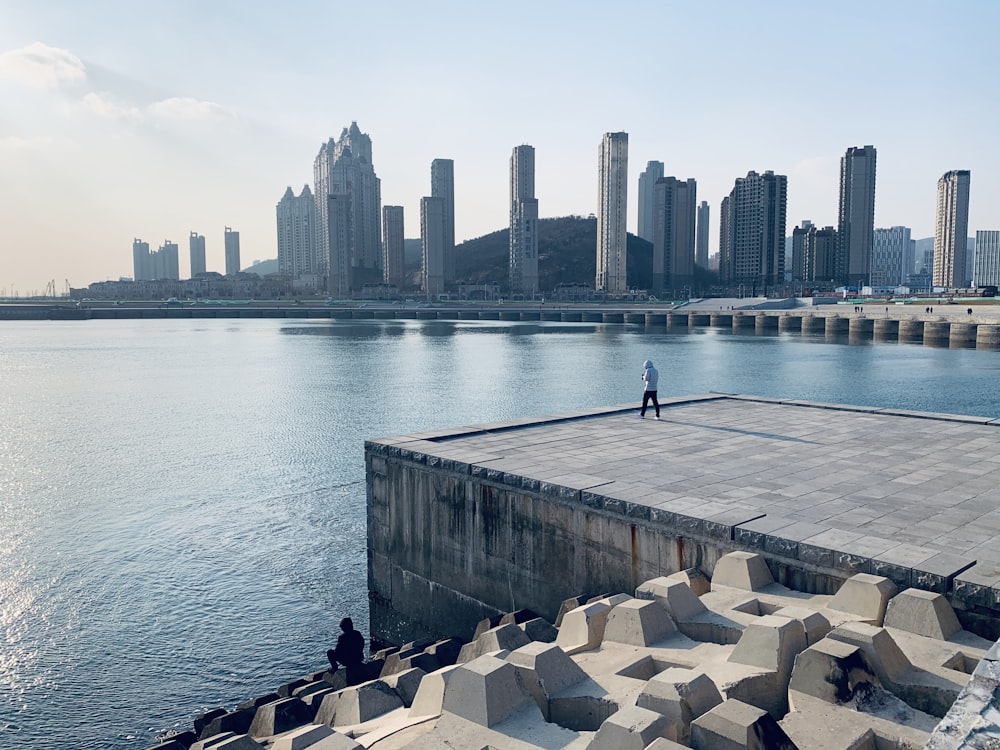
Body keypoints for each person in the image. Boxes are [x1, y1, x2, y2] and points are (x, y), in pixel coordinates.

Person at [326, 617, 366, 685]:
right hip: (358, 658)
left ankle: (334, 668)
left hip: (348, 661)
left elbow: (337, 652)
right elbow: (362, 644)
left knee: (330, 652)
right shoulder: (357, 633)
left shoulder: (342, 637)